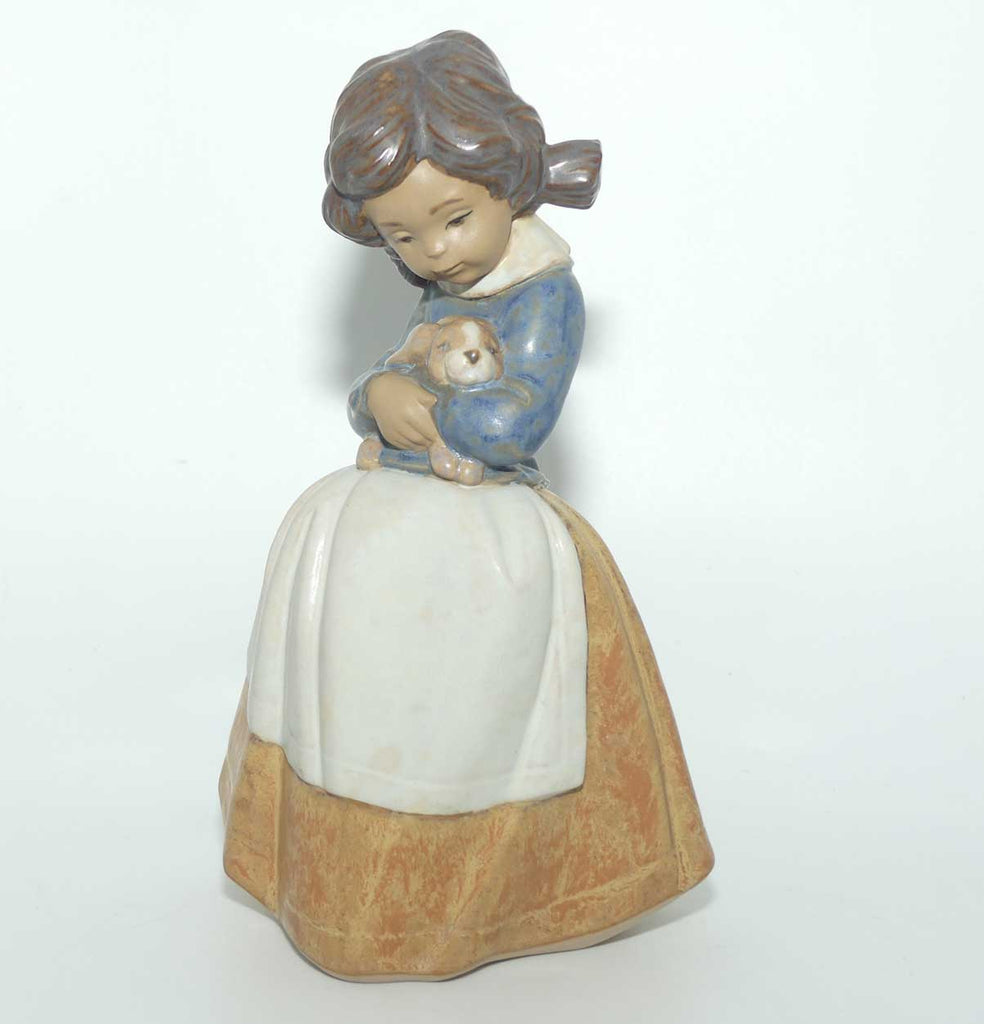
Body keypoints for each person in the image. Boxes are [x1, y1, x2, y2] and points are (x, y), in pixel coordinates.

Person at [219, 30, 713, 982]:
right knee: (319, 534)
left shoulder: (543, 292)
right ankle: (340, 838)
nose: (433, 252)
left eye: (452, 221)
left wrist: (429, 410)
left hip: (490, 520)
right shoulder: (443, 288)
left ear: (508, 189)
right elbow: (387, 374)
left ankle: (471, 860)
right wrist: (377, 397)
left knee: (459, 636)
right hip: (404, 493)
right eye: (403, 237)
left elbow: (515, 419)